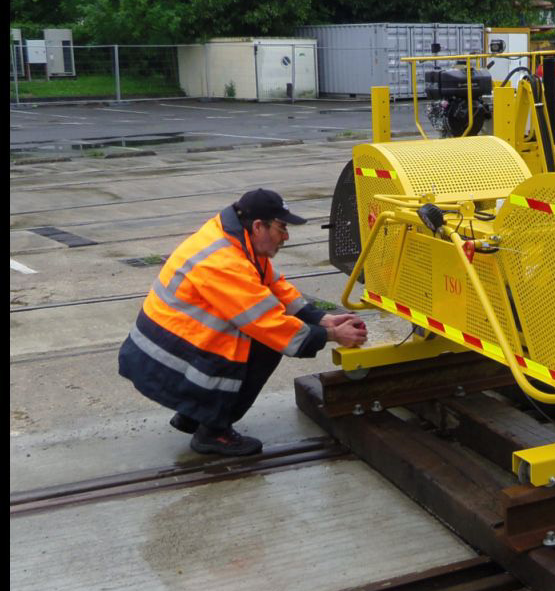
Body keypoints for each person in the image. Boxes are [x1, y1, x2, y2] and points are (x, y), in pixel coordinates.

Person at [118, 188, 368, 456]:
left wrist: (322, 318)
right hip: (165, 359)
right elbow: (267, 322)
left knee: (257, 338)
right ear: (259, 226)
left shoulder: (236, 238)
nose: (285, 237)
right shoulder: (224, 261)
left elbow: (272, 284)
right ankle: (213, 431)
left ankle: (194, 413)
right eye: (282, 228)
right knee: (264, 345)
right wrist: (332, 335)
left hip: (172, 343)